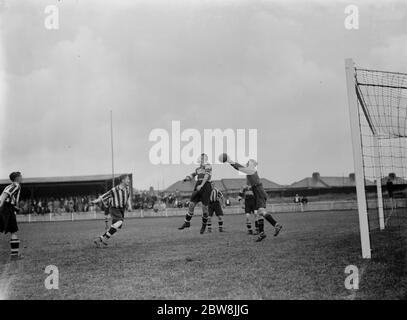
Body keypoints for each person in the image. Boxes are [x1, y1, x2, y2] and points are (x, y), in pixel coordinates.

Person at [223, 156, 282, 242]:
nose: (246, 164)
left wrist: (229, 161)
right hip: (258, 192)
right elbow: (246, 181)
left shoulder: (251, 170)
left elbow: (239, 167)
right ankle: (262, 233)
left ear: (251, 164)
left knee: (261, 212)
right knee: (259, 214)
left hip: (259, 192)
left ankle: (276, 225)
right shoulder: (251, 172)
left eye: (248, 163)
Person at [91, 174, 132, 246]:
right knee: (119, 221)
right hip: (114, 208)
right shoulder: (114, 190)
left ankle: (99, 239)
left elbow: (128, 197)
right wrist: (96, 201)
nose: (129, 180)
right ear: (123, 180)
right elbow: (105, 195)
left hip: (121, 210)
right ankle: (105, 238)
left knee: (117, 227)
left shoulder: (127, 189)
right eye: (127, 179)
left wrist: (129, 206)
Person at [178, 153, 212, 234]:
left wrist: (202, 185)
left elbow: (206, 176)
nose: (201, 159)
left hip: (206, 186)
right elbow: (193, 174)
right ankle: (187, 222)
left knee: (204, 209)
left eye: (203, 158)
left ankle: (203, 226)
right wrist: (187, 178)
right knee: (191, 205)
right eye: (201, 158)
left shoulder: (208, 166)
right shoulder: (198, 169)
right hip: (198, 186)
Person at [0, 171, 23, 258]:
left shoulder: (10, 185)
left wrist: (15, 208)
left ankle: (14, 254)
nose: (22, 178)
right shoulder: (16, 185)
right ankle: (14, 255)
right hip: (6, 209)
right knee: (13, 230)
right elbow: (5, 195)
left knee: (13, 230)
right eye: (20, 176)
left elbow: (8, 197)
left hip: (8, 208)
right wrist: (1, 205)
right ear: (17, 178)